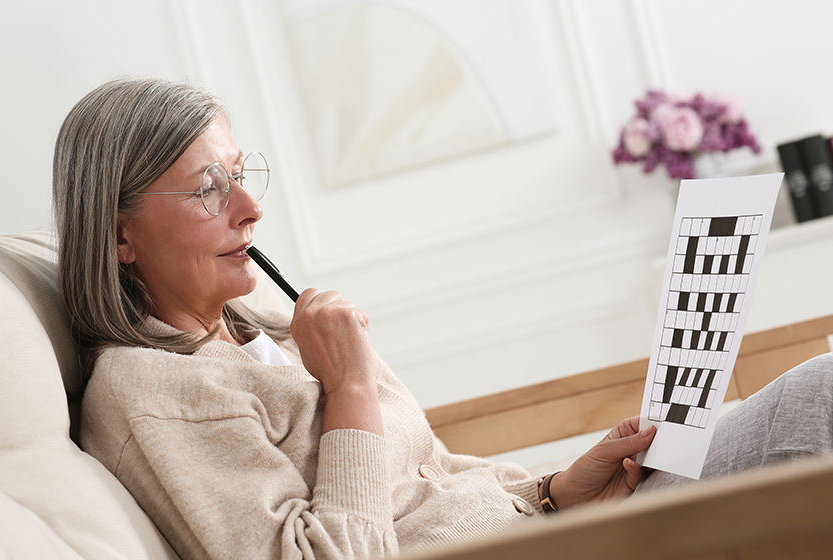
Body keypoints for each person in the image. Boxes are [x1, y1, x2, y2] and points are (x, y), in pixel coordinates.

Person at [53, 77, 832, 560]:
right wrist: (351, 390)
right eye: (208, 189)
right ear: (119, 235)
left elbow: (423, 483)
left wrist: (552, 490)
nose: (252, 208)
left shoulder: (268, 324)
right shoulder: (150, 391)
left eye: (241, 175)